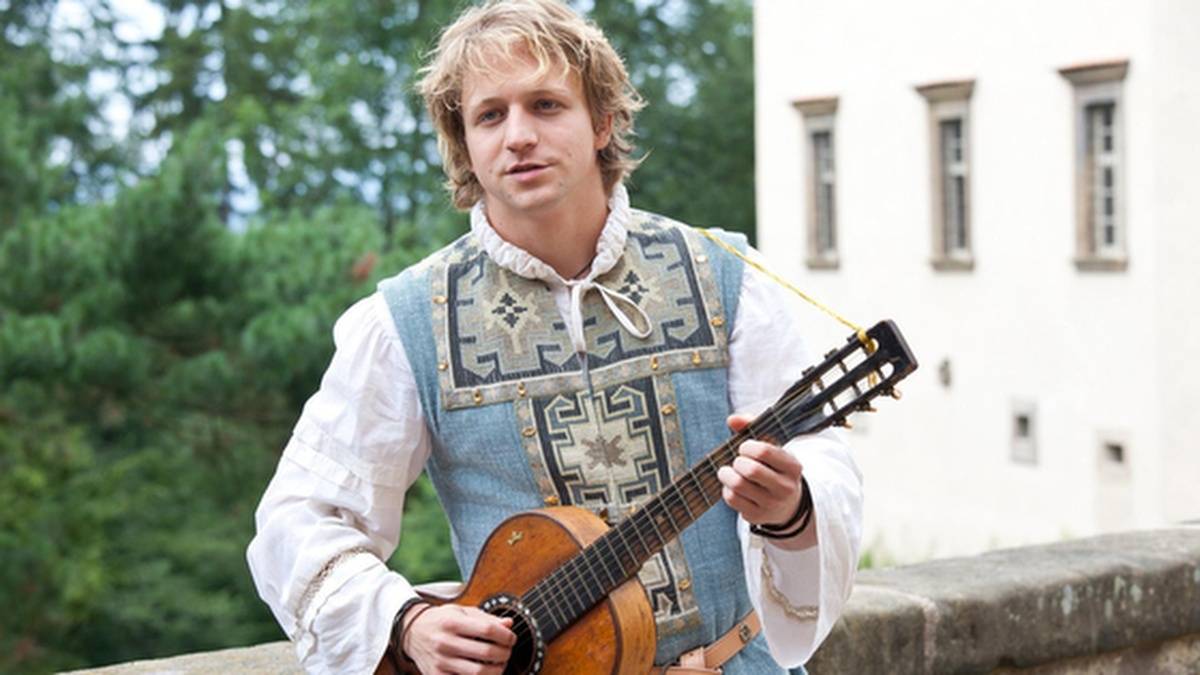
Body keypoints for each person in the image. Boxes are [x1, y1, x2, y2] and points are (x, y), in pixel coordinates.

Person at [247, 1, 864, 673]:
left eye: (545, 105)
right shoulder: (406, 321)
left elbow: (820, 457)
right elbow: (300, 517)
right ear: (465, 142)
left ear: (601, 121)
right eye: (490, 115)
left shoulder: (724, 275)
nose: (518, 136)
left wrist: (791, 507)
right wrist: (406, 620)